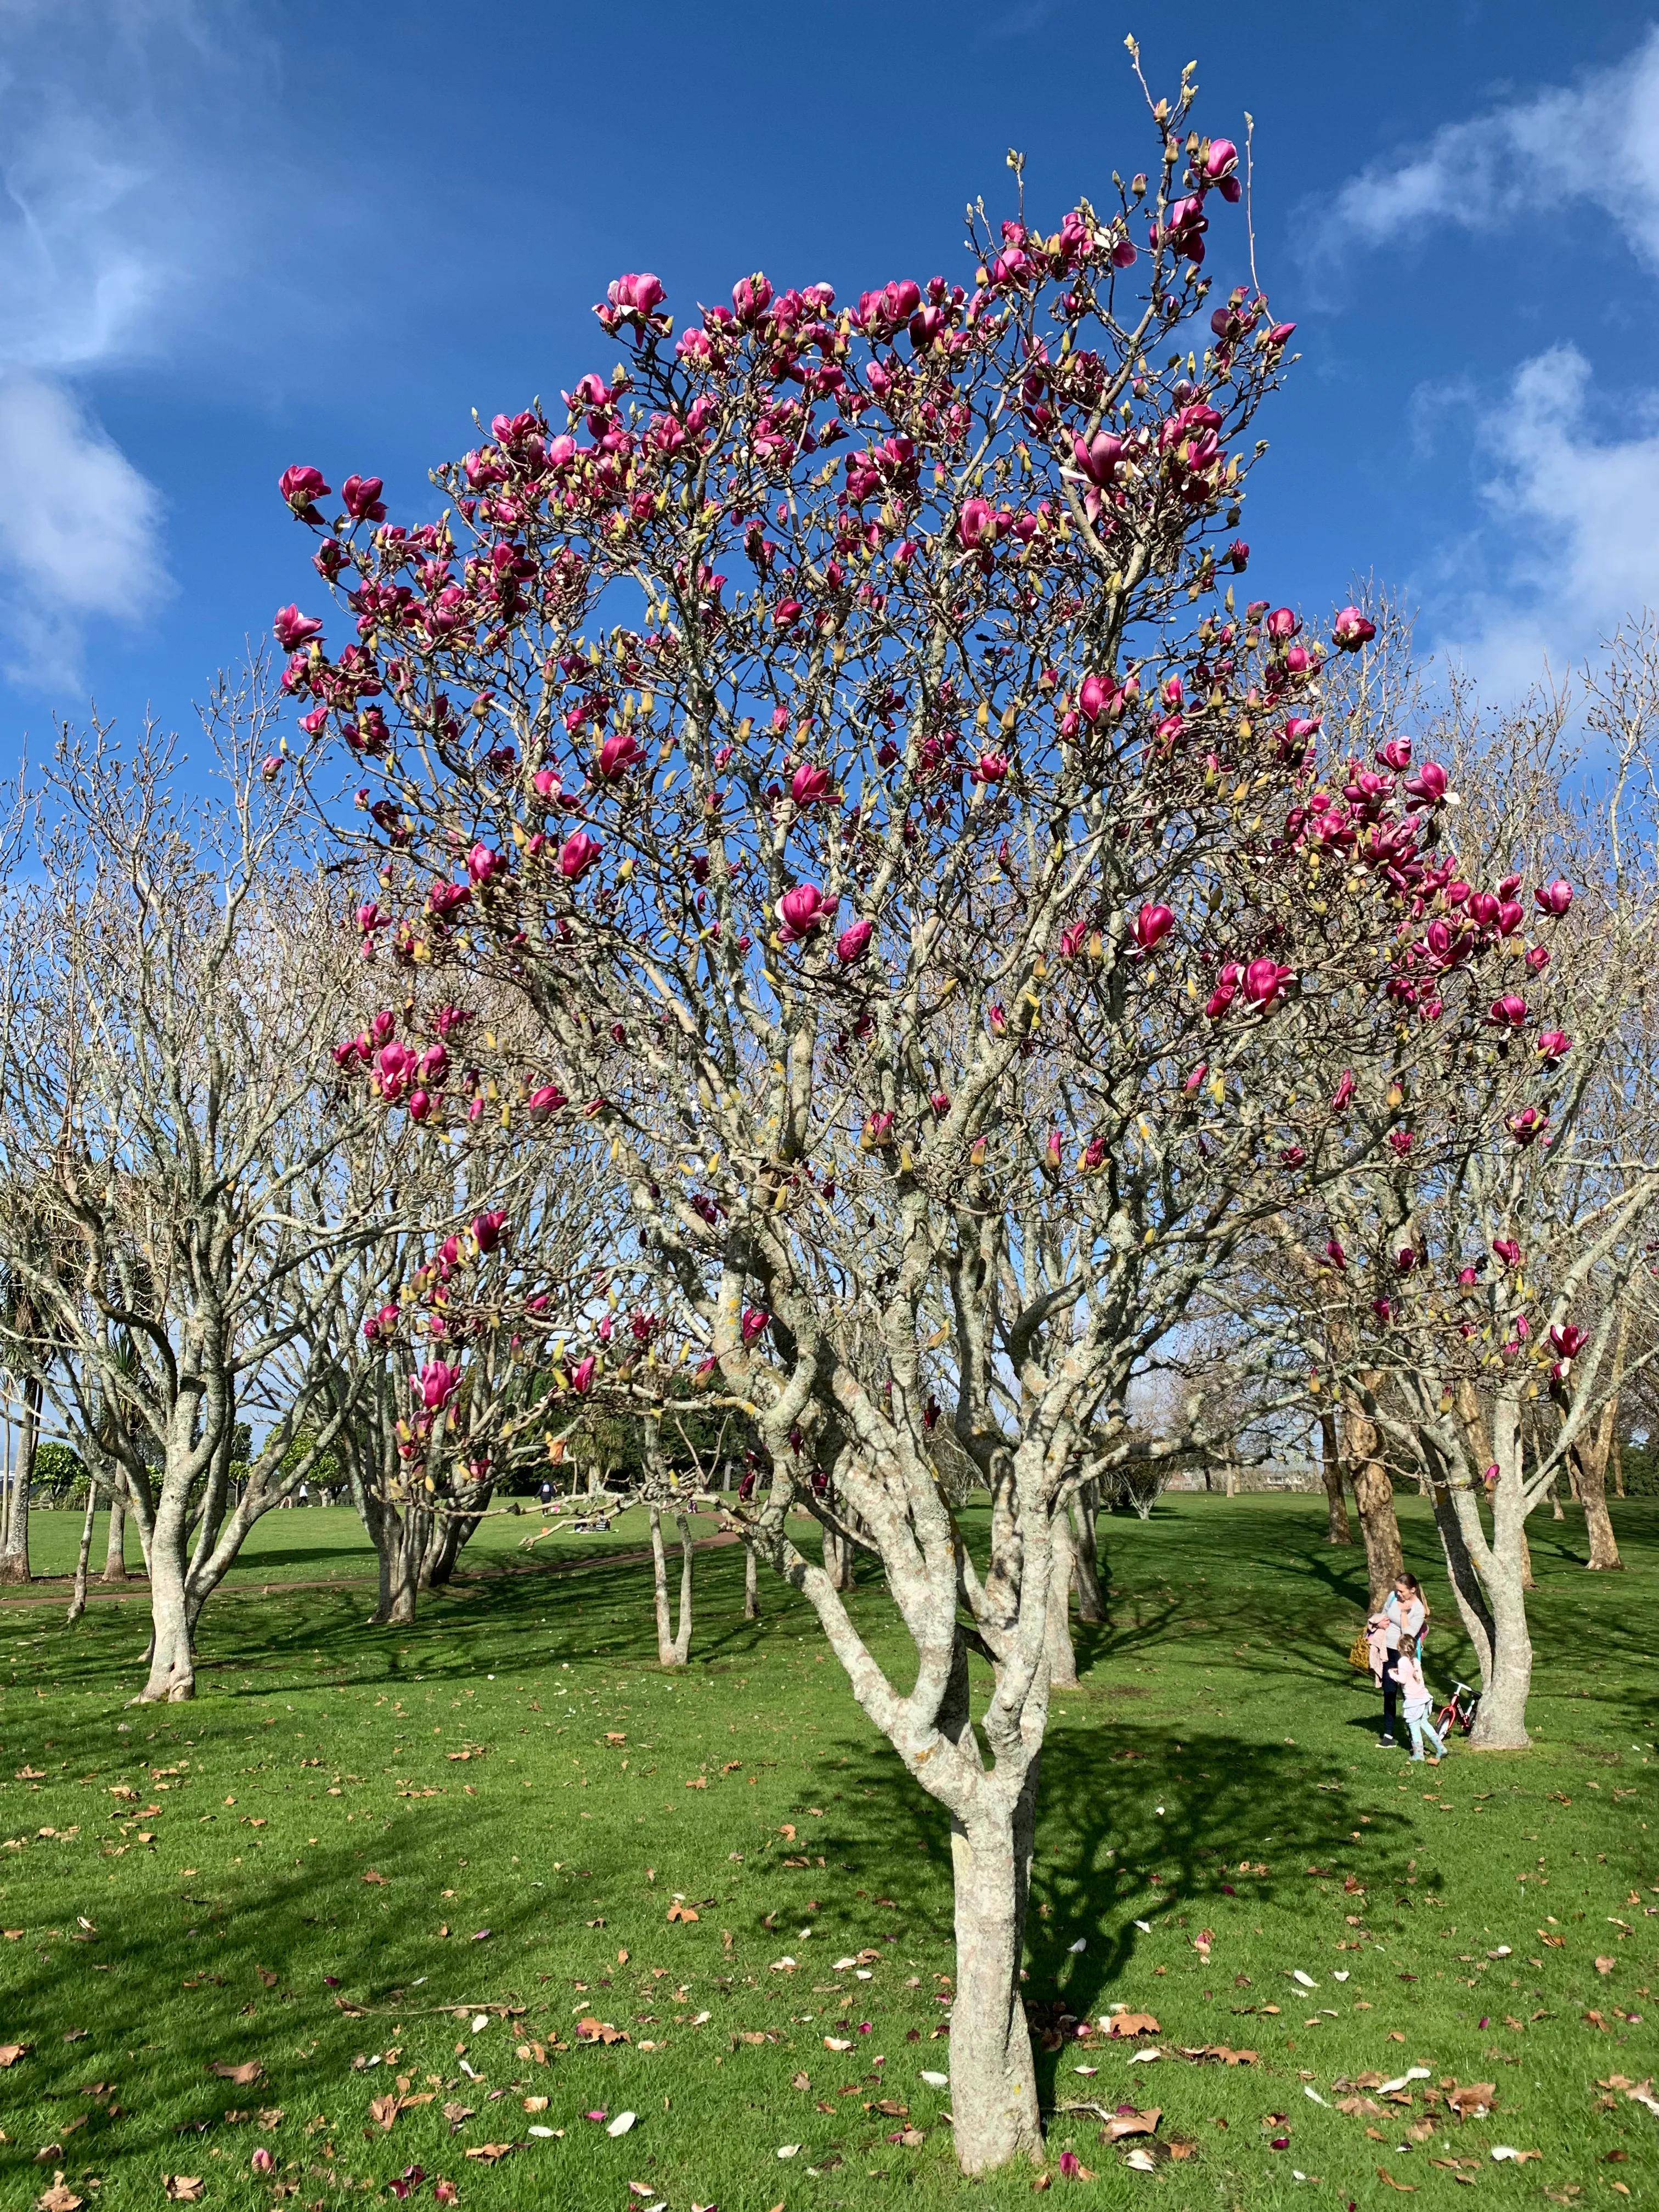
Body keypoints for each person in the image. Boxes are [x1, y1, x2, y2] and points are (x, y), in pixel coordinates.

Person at [1370, 1572, 1428, 1747]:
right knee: (1389, 1692)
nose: (1398, 1594)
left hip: (1404, 1655)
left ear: (1413, 1590)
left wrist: (1403, 1613)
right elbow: (1384, 1614)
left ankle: (1414, 1737)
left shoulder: (1418, 1610)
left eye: (1402, 1591)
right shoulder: (1393, 1596)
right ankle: (1388, 1736)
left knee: (1409, 1696)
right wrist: (1377, 1626)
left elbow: (1408, 1635)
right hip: (1387, 1651)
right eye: (1397, 1590)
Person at [1396, 1633, 1448, 1763]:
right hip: (1424, 1697)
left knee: (1414, 1726)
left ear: (1401, 1648)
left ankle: (1418, 1754)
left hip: (1413, 1701)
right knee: (1424, 1723)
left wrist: (1392, 1674)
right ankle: (1441, 1748)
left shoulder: (1402, 1661)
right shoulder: (1416, 1661)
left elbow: (1402, 1679)